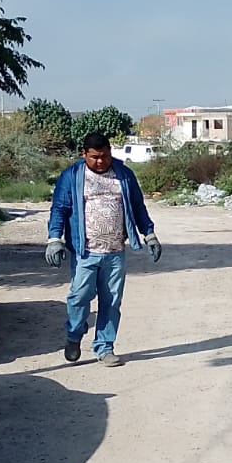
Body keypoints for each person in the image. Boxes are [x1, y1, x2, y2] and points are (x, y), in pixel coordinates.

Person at [46, 132, 162, 367]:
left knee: (111, 301)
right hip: (85, 252)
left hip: (115, 252)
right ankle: (74, 335)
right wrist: (54, 239)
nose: (101, 161)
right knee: (79, 297)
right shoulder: (72, 176)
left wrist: (149, 234)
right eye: (95, 157)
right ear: (84, 154)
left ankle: (105, 347)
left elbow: (138, 207)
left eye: (106, 156)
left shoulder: (124, 175)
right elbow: (59, 208)